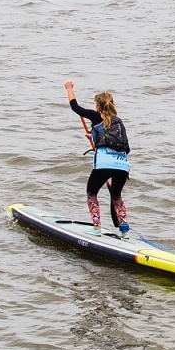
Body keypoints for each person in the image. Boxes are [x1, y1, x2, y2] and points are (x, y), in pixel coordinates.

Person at [66, 80, 131, 235]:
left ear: (98, 106)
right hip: (123, 166)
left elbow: (75, 107)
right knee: (116, 196)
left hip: (104, 164)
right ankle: (124, 230)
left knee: (92, 193)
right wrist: (93, 136)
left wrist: (69, 88)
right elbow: (121, 145)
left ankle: (96, 227)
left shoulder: (96, 116)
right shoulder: (118, 121)